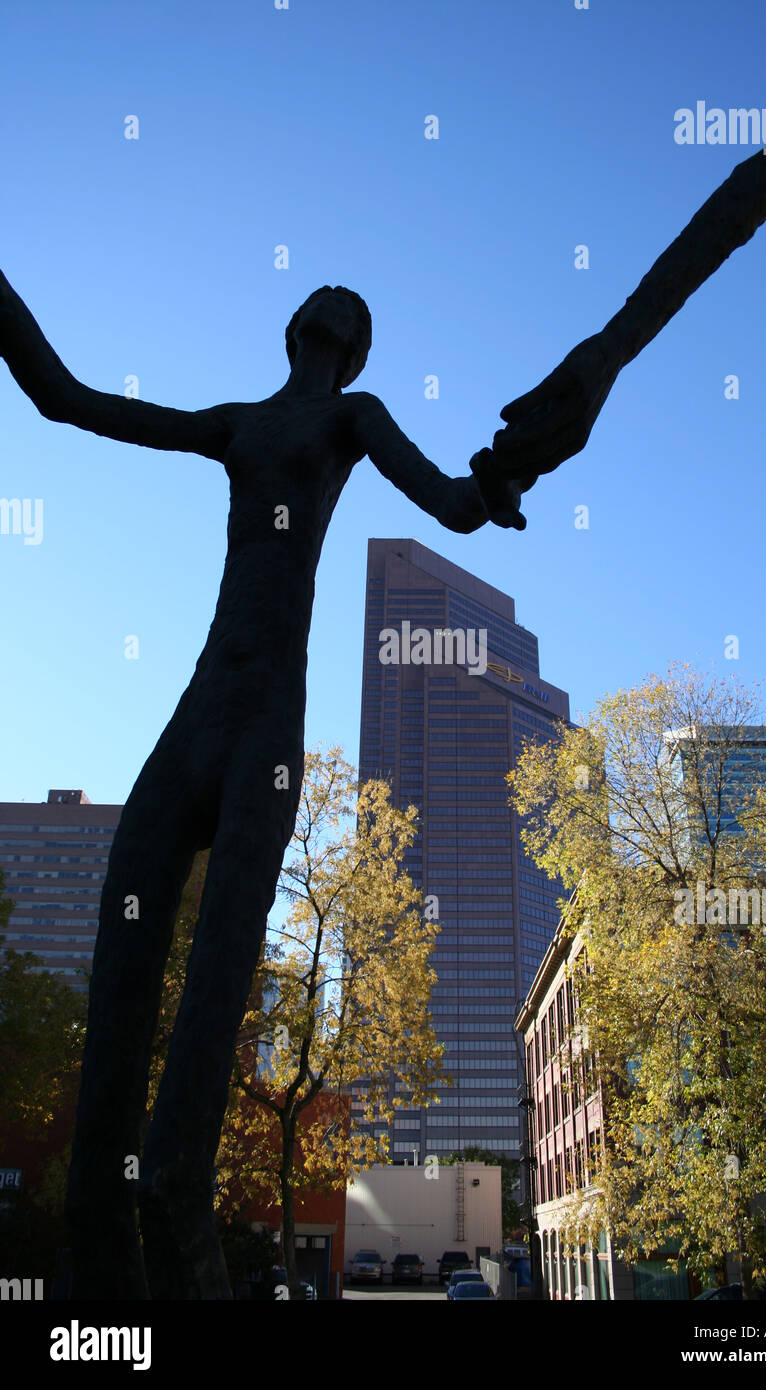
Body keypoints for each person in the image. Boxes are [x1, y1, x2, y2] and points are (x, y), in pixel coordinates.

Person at [0, 274, 525, 1296]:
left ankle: (176, 1212)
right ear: (292, 326)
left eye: (354, 305)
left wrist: (502, 475)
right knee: (120, 961)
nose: (334, 297)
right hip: (198, 711)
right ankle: (96, 1241)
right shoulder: (235, 424)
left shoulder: (352, 417)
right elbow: (64, 398)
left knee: (205, 1022)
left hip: (263, 737)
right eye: (323, 294)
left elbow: (453, 503)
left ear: (351, 347)